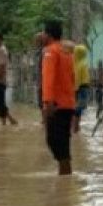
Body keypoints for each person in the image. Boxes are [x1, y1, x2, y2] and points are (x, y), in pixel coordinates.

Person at [40, 20, 76, 175]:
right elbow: (72, 77)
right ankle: (65, 177)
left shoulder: (51, 51)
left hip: (56, 104)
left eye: (43, 33)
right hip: (67, 104)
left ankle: (65, 174)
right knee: (62, 143)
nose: (41, 36)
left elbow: (49, 78)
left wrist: (48, 102)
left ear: (48, 34)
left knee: (54, 141)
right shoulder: (66, 52)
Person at [73, 42, 91, 134]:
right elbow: (79, 78)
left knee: (77, 108)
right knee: (79, 108)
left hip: (77, 88)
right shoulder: (83, 64)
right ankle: (76, 128)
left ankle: (76, 127)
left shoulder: (75, 63)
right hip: (82, 87)